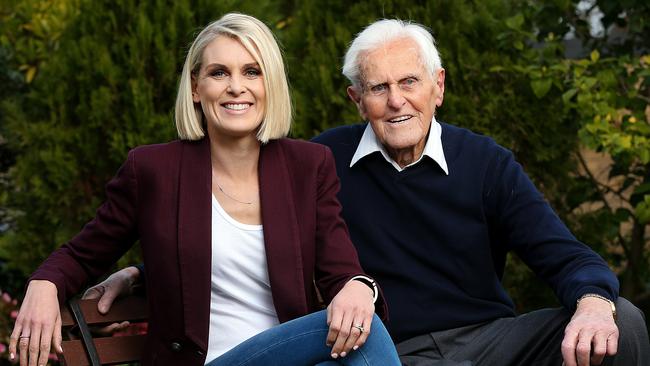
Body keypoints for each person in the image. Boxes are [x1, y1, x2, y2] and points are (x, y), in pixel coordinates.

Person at [83, 18, 650, 366]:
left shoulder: (486, 164)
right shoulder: (317, 161)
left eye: (409, 82)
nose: (396, 100)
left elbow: (564, 253)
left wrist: (594, 302)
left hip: (489, 343)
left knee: (623, 322)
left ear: (438, 87)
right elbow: (241, 226)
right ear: (357, 101)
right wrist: (144, 270)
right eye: (378, 88)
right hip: (386, 351)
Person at [8, 13, 402, 366]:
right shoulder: (154, 170)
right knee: (370, 340)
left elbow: (339, 272)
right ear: (196, 88)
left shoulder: (307, 166)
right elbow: (82, 253)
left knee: (361, 330)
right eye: (218, 73)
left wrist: (358, 286)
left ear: (271, 85)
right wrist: (44, 285)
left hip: (287, 356)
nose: (236, 87)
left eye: (252, 72)